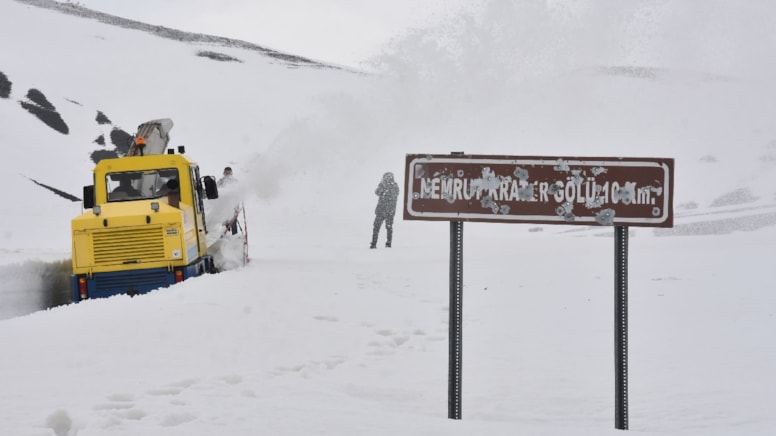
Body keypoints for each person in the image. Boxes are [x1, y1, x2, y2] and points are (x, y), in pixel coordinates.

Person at [370, 172, 400, 249]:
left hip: (386, 210)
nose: (387, 179)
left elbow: (380, 193)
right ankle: (378, 243)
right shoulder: (386, 185)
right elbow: (377, 192)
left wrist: (384, 190)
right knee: (382, 227)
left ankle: (383, 243)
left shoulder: (393, 186)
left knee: (384, 227)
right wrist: (382, 187)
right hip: (385, 210)